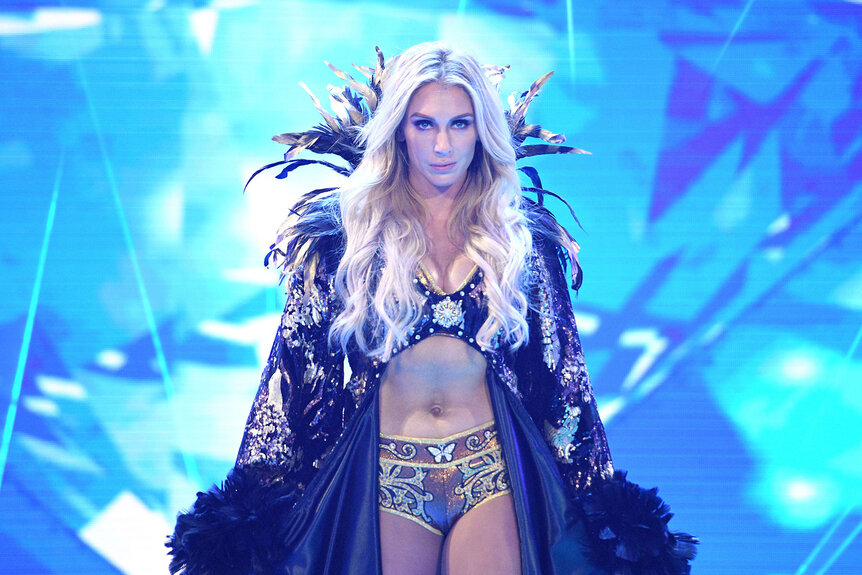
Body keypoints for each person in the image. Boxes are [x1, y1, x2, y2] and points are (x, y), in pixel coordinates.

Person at [167, 42, 697, 575]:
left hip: (491, 474)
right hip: (386, 478)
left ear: (481, 131)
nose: (442, 145)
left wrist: (607, 516)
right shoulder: (345, 242)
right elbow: (294, 372)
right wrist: (250, 517)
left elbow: (563, 381)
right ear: (399, 129)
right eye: (424, 124)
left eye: (459, 124)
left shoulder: (522, 242)